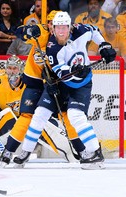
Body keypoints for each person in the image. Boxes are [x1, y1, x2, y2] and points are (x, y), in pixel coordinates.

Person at [13, 11, 116, 169]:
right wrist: (74, 70)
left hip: (81, 84)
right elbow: (63, 74)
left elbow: (94, 31)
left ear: (70, 27)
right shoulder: (52, 49)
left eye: (64, 27)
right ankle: (26, 151)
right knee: (40, 114)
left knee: (75, 116)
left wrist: (103, 45)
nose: (61, 31)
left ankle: (95, 152)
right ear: (53, 28)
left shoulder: (80, 30)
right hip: (59, 82)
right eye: (58, 27)